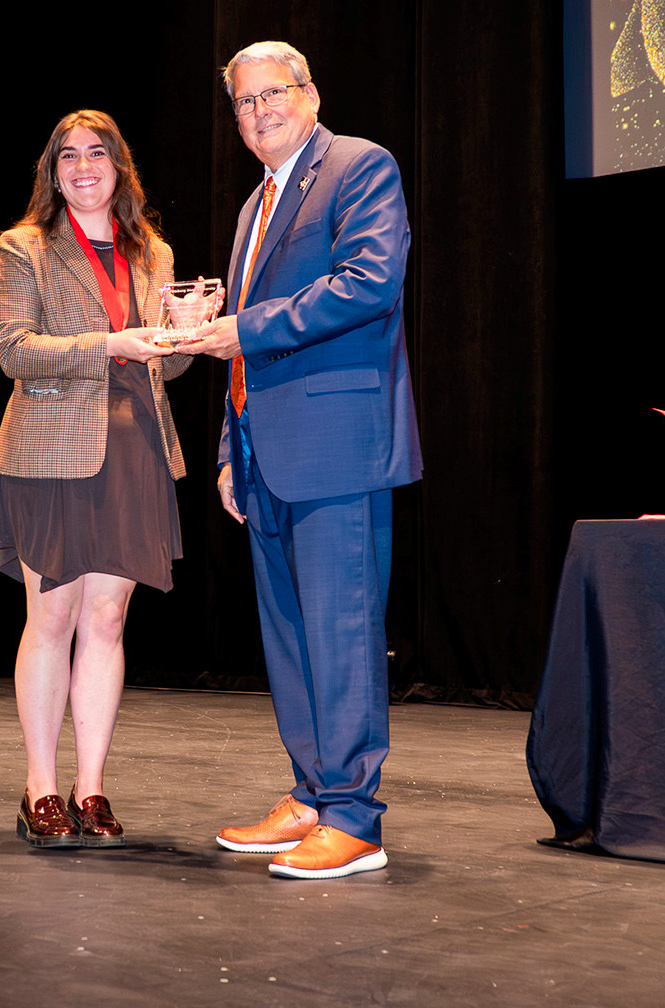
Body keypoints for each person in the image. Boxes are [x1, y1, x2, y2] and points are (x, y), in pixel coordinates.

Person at [181, 42, 422, 879]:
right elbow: (235, 341)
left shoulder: (360, 168)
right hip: (263, 453)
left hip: (337, 447)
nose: (259, 112)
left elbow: (370, 281)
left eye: (273, 94)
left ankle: (357, 821)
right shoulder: (255, 207)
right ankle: (315, 794)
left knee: (342, 633)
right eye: (244, 103)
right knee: (289, 639)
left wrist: (244, 327)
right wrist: (226, 450)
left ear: (310, 94)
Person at [0, 110, 191, 849]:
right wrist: (110, 342)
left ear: (118, 167)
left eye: (96, 154)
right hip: (49, 451)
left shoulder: (154, 252)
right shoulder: (26, 247)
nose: (82, 166)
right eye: (67, 155)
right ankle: (40, 788)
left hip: (135, 447)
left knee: (107, 621)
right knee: (51, 618)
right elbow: (13, 350)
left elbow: (163, 363)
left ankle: (91, 788)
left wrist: (187, 332)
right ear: (53, 172)